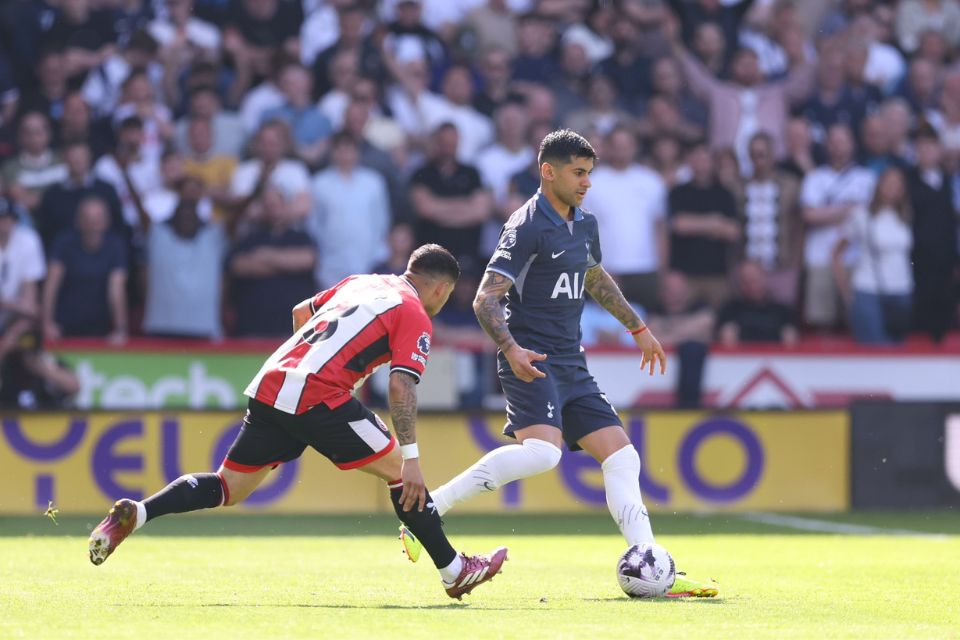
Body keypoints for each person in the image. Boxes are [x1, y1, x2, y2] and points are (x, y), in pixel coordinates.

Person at [88, 244, 508, 601]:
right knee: (402, 470)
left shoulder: (362, 281)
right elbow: (402, 388)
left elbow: (300, 312)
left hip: (273, 383)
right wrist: (412, 456)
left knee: (227, 487)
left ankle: (139, 512)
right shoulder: (415, 311)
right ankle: (454, 571)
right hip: (318, 395)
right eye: (446, 294)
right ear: (441, 286)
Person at [401, 129, 716, 598]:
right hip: (531, 358)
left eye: (590, 173)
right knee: (543, 454)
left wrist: (638, 327)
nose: (587, 182)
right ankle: (429, 510)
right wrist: (511, 349)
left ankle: (652, 565)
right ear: (548, 172)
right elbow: (486, 300)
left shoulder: (584, 223)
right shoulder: (525, 225)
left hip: (571, 362)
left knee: (623, 458)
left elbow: (593, 276)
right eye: (578, 173)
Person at [832, 167, 914, 344]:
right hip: (869, 290)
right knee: (875, 352)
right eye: (889, 184)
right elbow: (837, 253)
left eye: (898, 185)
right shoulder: (862, 215)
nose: (893, 189)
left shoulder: (905, 216)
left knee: (900, 353)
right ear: (879, 186)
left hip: (901, 290)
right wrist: (846, 292)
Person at [717, 261, 799, 347]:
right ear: (740, 284)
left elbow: (792, 340)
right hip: (741, 357)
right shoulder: (729, 310)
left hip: (774, 357)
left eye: (754, 280)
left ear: (764, 278)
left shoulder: (783, 311)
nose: (751, 286)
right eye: (746, 281)